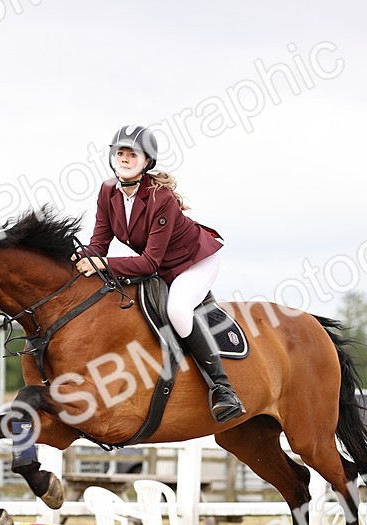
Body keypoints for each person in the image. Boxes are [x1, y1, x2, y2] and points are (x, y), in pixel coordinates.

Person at [73, 124, 246, 423]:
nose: (124, 159)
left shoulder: (160, 197)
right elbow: (99, 243)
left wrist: (102, 264)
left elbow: (149, 263)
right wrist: (78, 256)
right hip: (161, 265)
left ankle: (224, 389)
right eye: (120, 153)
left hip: (193, 262)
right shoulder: (107, 191)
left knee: (178, 310)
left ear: (147, 162)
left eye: (132, 154)